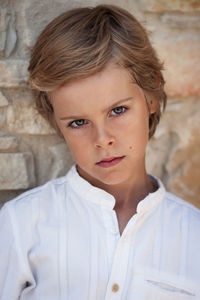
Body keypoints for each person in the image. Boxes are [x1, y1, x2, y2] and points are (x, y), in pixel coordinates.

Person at [0, 4, 199, 300]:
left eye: (118, 110)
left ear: (152, 96)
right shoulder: (21, 224)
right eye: (79, 122)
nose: (102, 139)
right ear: (56, 120)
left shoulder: (193, 236)